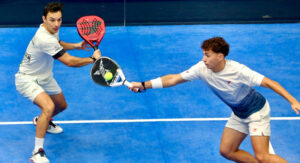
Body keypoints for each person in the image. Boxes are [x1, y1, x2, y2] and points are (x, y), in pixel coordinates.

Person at [129, 37, 300, 163]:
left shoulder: (239, 71)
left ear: (220, 56)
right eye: (203, 54)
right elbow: (174, 79)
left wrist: (293, 101)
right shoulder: (202, 68)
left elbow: (270, 82)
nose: (204, 59)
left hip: (257, 112)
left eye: (207, 55)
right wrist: (144, 85)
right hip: (239, 113)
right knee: (227, 151)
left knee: (263, 155)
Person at [15, 2, 101, 163]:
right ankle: (37, 152)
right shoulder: (43, 38)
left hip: (45, 76)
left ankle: (42, 121)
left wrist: (76, 45)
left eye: (59, 20)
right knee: (48, 107)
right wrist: (92, 59)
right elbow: (69, 62)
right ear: (44, 19)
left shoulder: (50, 30)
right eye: (52, 20)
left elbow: (58, 43)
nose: (56, 24)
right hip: (26, 78)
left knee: (62, 106)